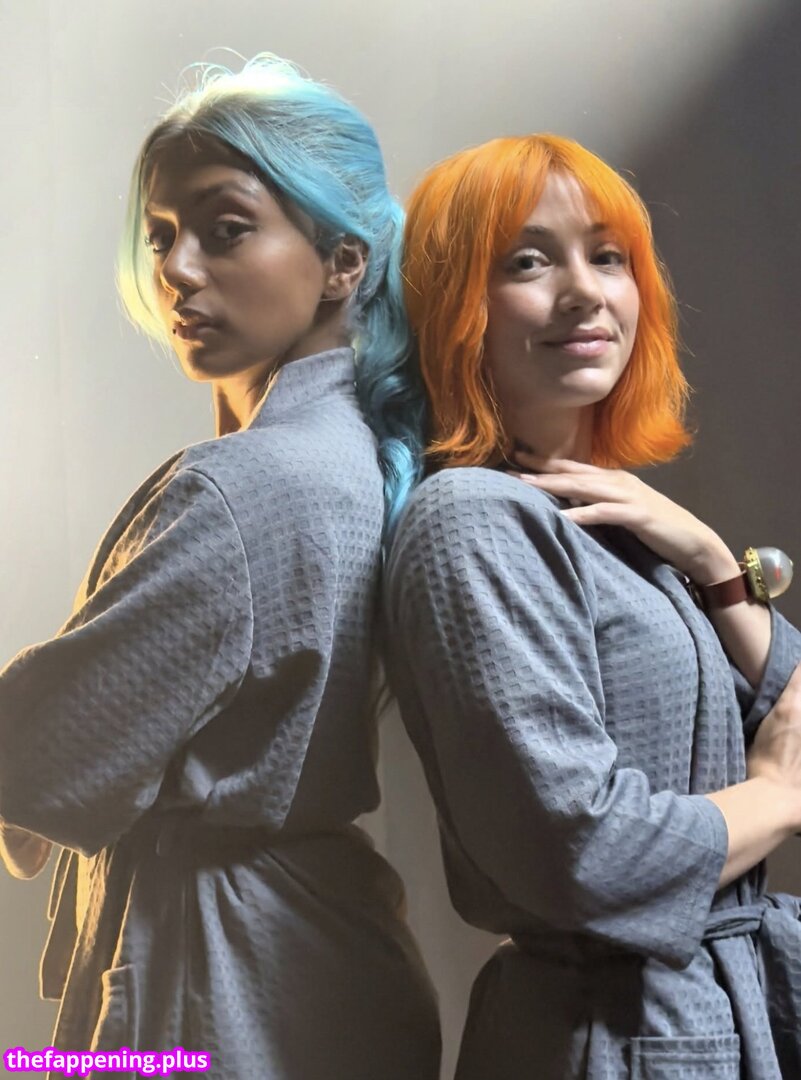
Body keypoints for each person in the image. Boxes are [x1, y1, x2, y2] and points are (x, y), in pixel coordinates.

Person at [0, 55, 439, 1080]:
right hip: (317, 960)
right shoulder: (361, 457)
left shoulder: (247, 488)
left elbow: (38, 749)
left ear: (343, 261)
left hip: (221, 984)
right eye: (161, 236)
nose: (178, 269)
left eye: (225, 228)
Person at [384, 133, 801, 1079]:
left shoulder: (617, 523)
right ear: (452, 304)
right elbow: (584, 853)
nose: (584, 291)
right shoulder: (469, 522)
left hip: (697, 1019)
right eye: (528, 262)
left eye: (606, 256)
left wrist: (711, 562)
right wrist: (778, 797)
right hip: (610, 1043)